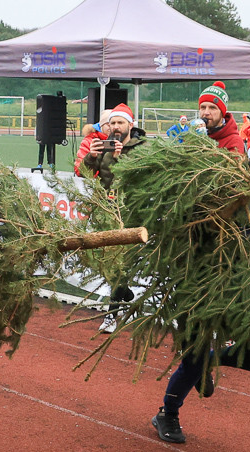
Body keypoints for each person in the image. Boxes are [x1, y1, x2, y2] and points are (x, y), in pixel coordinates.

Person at [151, 118, 250, 444]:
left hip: (245, 282)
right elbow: (207, 224)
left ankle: (213, 359)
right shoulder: (230, 181)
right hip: (206, 279)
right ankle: (167, 415)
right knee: (194, 356)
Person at [81, 103, 146, 333]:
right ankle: (125, 294)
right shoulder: (106, 144)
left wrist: (119, 158)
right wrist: (92, 156)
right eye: (113, 123)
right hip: (106, 210)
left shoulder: (142, 148)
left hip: (130, 212)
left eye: (121, 122)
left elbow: (134, 179)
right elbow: (85, 173)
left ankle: (111, 315)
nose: (116, 127)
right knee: (108, 264)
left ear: (131, 124)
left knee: (121, 266)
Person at [197, 81, 242, 153]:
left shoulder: (233, 141)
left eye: (212, 108)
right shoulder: (194, 135)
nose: (206, 113)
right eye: (203, 108)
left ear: (222, 113)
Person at [74, 109, 111, 176]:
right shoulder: (89, 141)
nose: (112, 127)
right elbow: (79, 171)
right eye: (108, 124)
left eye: (118, 123)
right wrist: (91, 156)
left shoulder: (124, 141)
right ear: (101, 125)